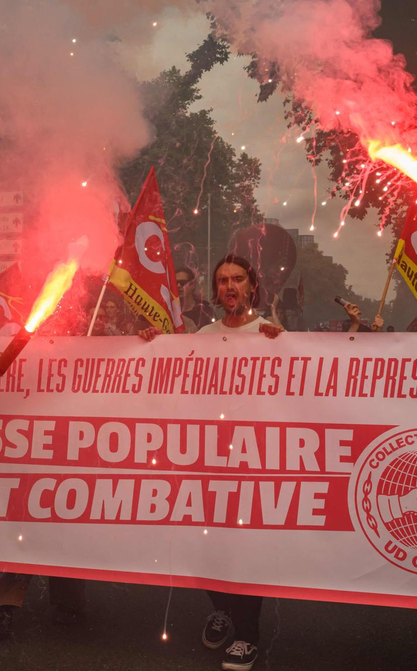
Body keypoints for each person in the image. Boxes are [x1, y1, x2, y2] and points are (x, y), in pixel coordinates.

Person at [139, 254, 283, 671]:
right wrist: (153, 344)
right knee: (204, 544)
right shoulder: (204, 334)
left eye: (238, 279)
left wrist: (284, 346)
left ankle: (247, 636)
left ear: (252, 287)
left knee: (244, 548)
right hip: (208, 460)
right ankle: (222, 609)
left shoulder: (271, 334)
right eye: (222, 281)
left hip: (253, 461)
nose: (230, 286)